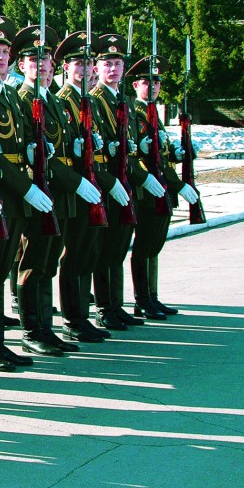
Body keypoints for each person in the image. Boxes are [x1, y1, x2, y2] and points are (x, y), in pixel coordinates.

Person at [0, 16, 54, 371]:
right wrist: (25, 186)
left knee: (1, 268)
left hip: (15, 193)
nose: (0, 56)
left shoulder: (12, 96)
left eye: (4, 51)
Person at [13, 25, 103, 356]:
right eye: (35, 60)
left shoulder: (54, 102)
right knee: (34, 261)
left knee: (50, 260)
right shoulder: (23, 99)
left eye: (47, 59)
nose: (45, 65)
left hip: (60, 193)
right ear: (21, 65)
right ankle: (31, 328)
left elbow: (60, 149)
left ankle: (46, 328)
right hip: (40, 189)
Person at [53, 32, 127, 343]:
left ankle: (83, 314)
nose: (83, 69)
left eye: (87, 63)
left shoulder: (88, 101)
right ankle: (73, 317)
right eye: (76, 63)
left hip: (93, 182)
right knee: (75, 252)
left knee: (89, 251)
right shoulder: (64, 100)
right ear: (66, 68)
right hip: (76, 185)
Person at [89, 34, 166, 331]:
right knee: (104, 249)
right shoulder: (94, 101)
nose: (113, 68)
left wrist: (141, 178)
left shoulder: (125, 102)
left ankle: (117, 306)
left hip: (127, 184)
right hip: (107, 185)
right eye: (107, 63)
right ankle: (104, 307)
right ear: (97, 68)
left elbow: (130, 150)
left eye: (118, 63)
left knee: (119, 248)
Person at [127, 55, 199, 318]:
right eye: (147, 82)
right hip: (146, 191)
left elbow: (162, 153)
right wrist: (177, 184)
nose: (153, 87)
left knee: (155, 245)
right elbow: (138, 155)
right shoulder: (134, 112)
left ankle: (152, 297)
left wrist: (180, 153)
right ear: (136, 85)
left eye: (156, 82)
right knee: (144, 244)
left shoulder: (153, 112)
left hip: (162, 188)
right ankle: (142, 299)